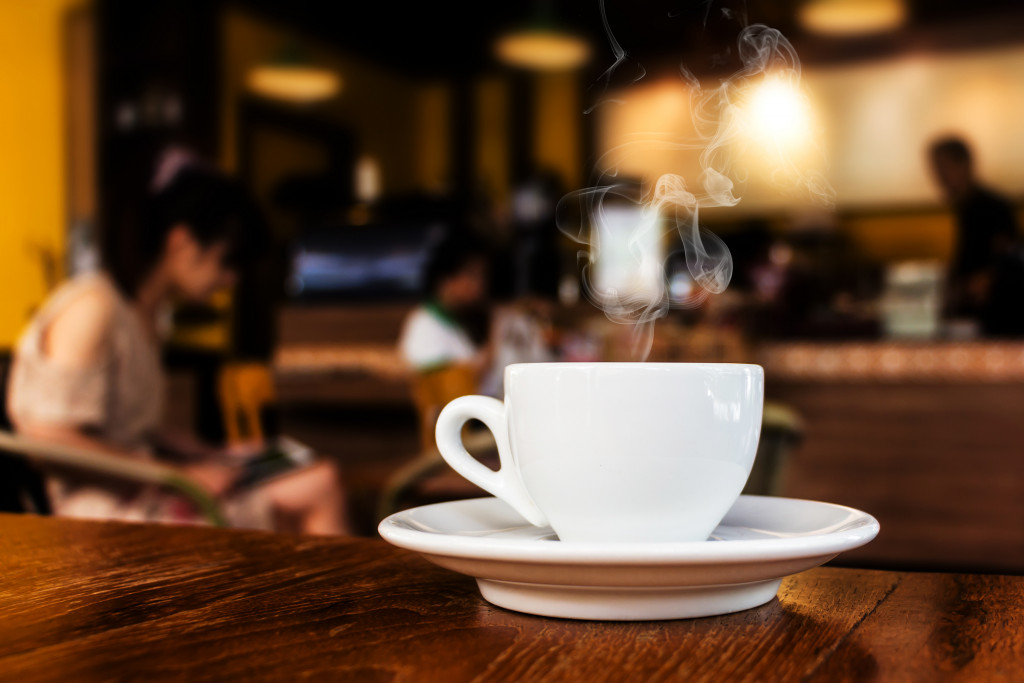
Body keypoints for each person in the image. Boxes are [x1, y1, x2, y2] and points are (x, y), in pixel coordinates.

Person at [6, 153, 350, 534]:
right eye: (226, 261)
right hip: (100, 510)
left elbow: (132, 427)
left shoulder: (141, 315)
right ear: (181, 241)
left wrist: (210, 452)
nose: (229, 280)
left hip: (139, 488)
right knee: (319, 484)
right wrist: (177, 474)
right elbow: (46, 436)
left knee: (313, 477)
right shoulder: (93, 306)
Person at [929, 136, 1022, 334]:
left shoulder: (993, 206)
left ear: (965, 165)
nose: (938, 175)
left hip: (997, 318)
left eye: (942, 167)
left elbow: (1009, 259)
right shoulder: (964, 207)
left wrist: (988, 279)